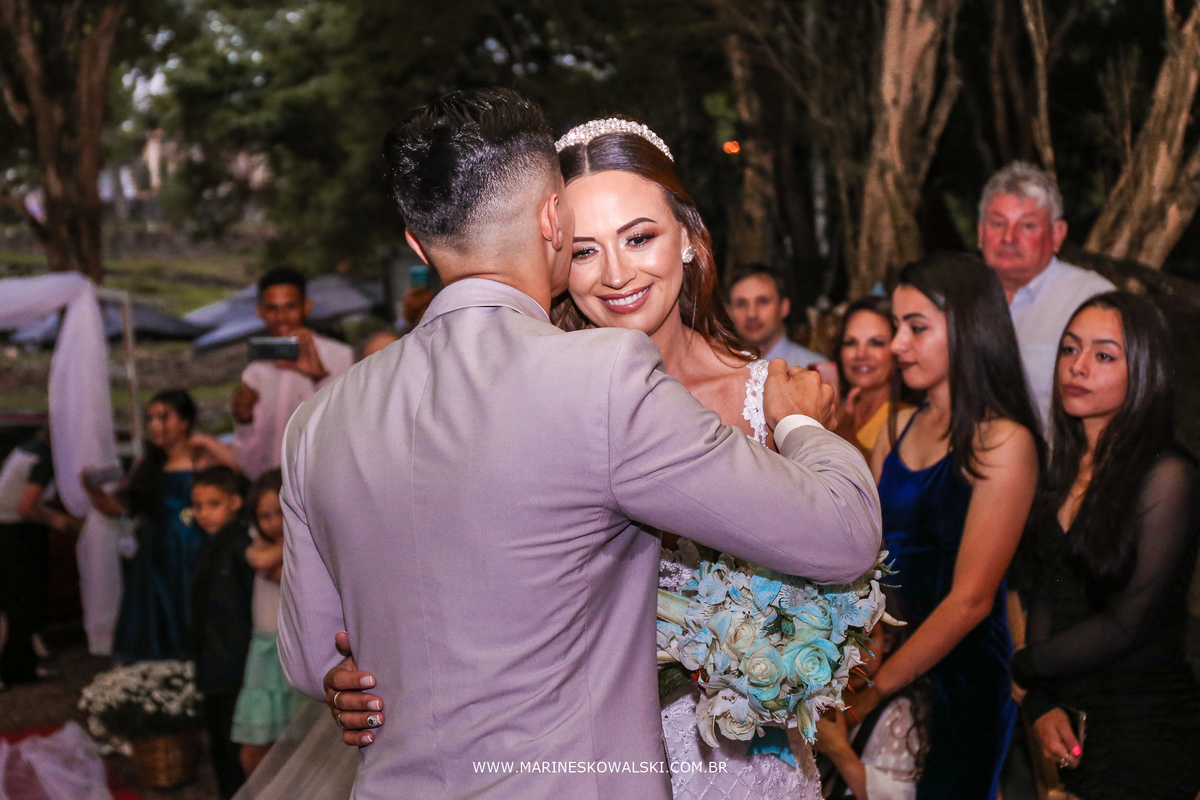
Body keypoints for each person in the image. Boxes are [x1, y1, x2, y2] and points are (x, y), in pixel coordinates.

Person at [277, 90, 880, 800]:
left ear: (416, 244)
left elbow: (312, 660)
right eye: (588, 246)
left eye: (638, 237)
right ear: (552, 221)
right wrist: (803, 425)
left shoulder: (315, 422)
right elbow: (843, 534)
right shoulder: (603, 381)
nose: (615, 272)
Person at [850, 253, 1042, 800]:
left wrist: (875, 689)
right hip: (884, 659)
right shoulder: (896, 425)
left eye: (916, 328)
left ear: (968, 330)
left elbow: (971, 601)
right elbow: (863, 554)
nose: (897, 345)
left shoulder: (1004, 443)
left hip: (962, 680)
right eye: (897, 326)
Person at [1011, 292, 1200, 799]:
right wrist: (1042, 702)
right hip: (1073, 720)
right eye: (1070, 349)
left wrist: (1026, 667)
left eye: (1103, 355)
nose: (1078, 367)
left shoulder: (1169, 475)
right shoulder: (1062, 467)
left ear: (1144, 371)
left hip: (1146, 729)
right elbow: (1048, 589)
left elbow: (1127, 624)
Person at [84, 389, 234, 663]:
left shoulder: (205, 459)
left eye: (163, 417)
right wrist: (93, 490)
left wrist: (209, 442)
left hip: (196, 553)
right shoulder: (147, 464)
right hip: (157, 558)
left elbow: (242, 473)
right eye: (151, 418)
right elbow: (118, 508)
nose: (155, 425)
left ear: (185, 421)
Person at [977, 161, 1114, 430]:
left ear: (1057, 234)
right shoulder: (955, 299)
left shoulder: (1092, 300)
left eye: (1027, 226)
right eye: (998, 223)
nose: (1009, 238)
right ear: (980, 233)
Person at [231, 268, 353, 479]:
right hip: (273, 491)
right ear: (260, 312)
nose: (281, 318)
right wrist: (244, 422)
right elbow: (248, 465)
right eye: (272, 308)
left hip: (322, 484)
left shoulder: (339, 356)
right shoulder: (254, 373)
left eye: (290, 307)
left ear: (307, 307)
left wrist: (320, 377)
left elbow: (347, 426)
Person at [813, 591, 930, 800]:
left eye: (866, 640)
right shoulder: (811, 695)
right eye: (843, 642)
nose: (856, 657)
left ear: (887, 641)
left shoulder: (897, 712)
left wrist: (837, 749)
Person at [231, 469, 305, 777]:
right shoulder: (258, 548)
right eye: (265, 516)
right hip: (265, 653)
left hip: (297, 650)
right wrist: (300, 535)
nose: (273, 523)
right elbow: (263, 564)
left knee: (299, 742)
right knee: (256, 745)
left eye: (280, 513)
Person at [190, 465, 255, 800]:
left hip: (236, 662)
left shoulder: (242, 547)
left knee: (234, 746)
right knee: (219, 742)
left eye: (213, 504)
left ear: (235, 502)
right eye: (198, 506)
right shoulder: (208, 545)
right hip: (213, 659)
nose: (204, 513)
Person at [0, 428, 76, 687]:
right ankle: (17, 668)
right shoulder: (44, 459)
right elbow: (26, 507)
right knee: (25, 604)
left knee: (16, 604)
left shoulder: (27, 450)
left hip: (9, 530)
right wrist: (59, 521)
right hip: (17, 534)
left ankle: (21, 666)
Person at [833, 296, 904, 457]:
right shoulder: (835, 412)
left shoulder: (907, 419)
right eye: (850, 343)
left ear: (898, 351)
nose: (861, 354)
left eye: (876, 343)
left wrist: (845, 434)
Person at [726, 264, 828, 367]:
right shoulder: (723, 369)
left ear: (784, 307)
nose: (751, 314)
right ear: (729, 311)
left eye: (762, 301)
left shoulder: (814, 368)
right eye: (741, 304)